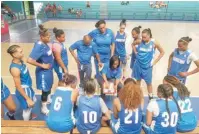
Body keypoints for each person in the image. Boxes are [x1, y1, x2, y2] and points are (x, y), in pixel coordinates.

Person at [27, 25, 54, 115]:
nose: (49, 38)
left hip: (49, 71)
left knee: (49, 86)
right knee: (45, 90)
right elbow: (30, 60)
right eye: (47, 37)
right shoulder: (39, 46)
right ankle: (44, 108)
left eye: (49, 36)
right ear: (41, 37)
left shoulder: (44, 43)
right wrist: (42, 65)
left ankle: (48, 99)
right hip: (43, 73)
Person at [132, 28, 164, 99]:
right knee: (138, 81)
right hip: (138, 65)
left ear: (149, 36)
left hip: (147, 67)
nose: (143, 38)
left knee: (148, 83)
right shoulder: (140, 41)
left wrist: (155, 62)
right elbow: (133, 44)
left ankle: (151, 97)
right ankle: (137, 96)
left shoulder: (154, 42)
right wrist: (136, 52)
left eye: (144, 37)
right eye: (142, 37)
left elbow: (162, 52)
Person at [8, 45, 36, 120]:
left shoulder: (20, 61)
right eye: (20, 52)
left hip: (28, 88)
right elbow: (18, 86)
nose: (23, 53)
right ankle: (26, 125)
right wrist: (27, 99)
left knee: (34, 101)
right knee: (27, 109)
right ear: (14, 55)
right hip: (24, 90)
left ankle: (28, 113)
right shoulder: (15, 69)